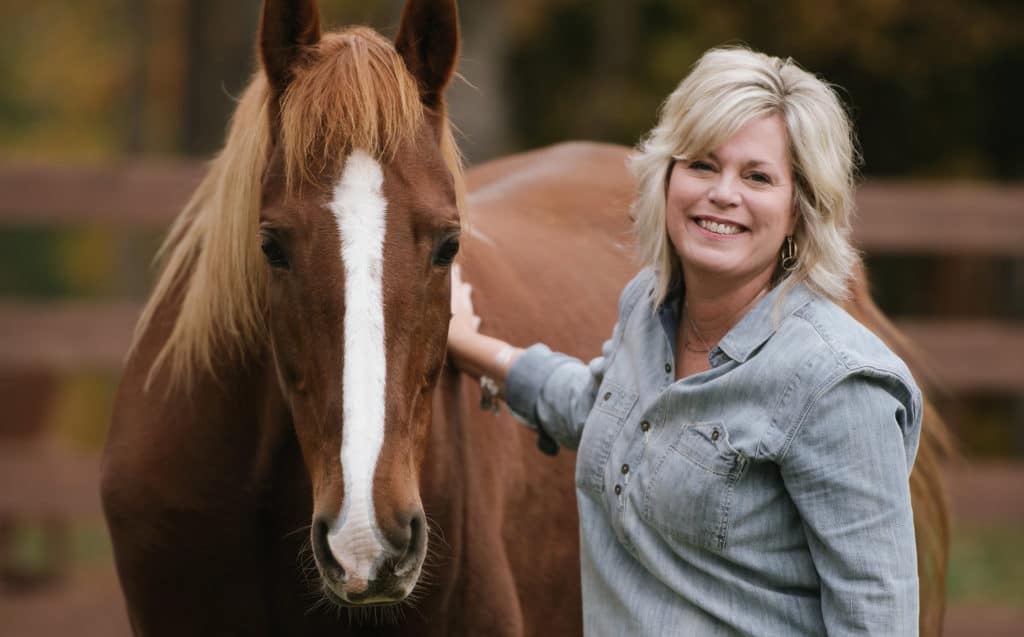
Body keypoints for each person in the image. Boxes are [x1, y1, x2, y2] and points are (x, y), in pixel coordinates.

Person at [447, 46, 921, 636]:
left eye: (757, 177)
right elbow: (603, 414)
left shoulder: (837, 385)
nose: (723, 193)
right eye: (701, 164)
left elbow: (877, 621)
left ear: (800, 208)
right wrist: (470, 344)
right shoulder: (648, 311)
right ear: (666, 178)